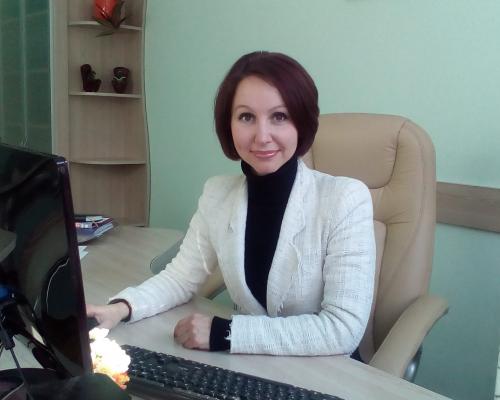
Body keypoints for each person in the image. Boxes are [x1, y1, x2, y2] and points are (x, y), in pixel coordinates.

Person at [87, 51, 376, 357]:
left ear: (301, 123)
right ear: (229, 125)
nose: (262, 136)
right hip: (251, 364)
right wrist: (120, 308)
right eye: (246, 117)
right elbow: (180, 279)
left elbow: (342, 329)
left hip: (327, 369)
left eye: (279, 116)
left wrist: (226, 333)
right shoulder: (217, 194)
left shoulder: (344, 199)